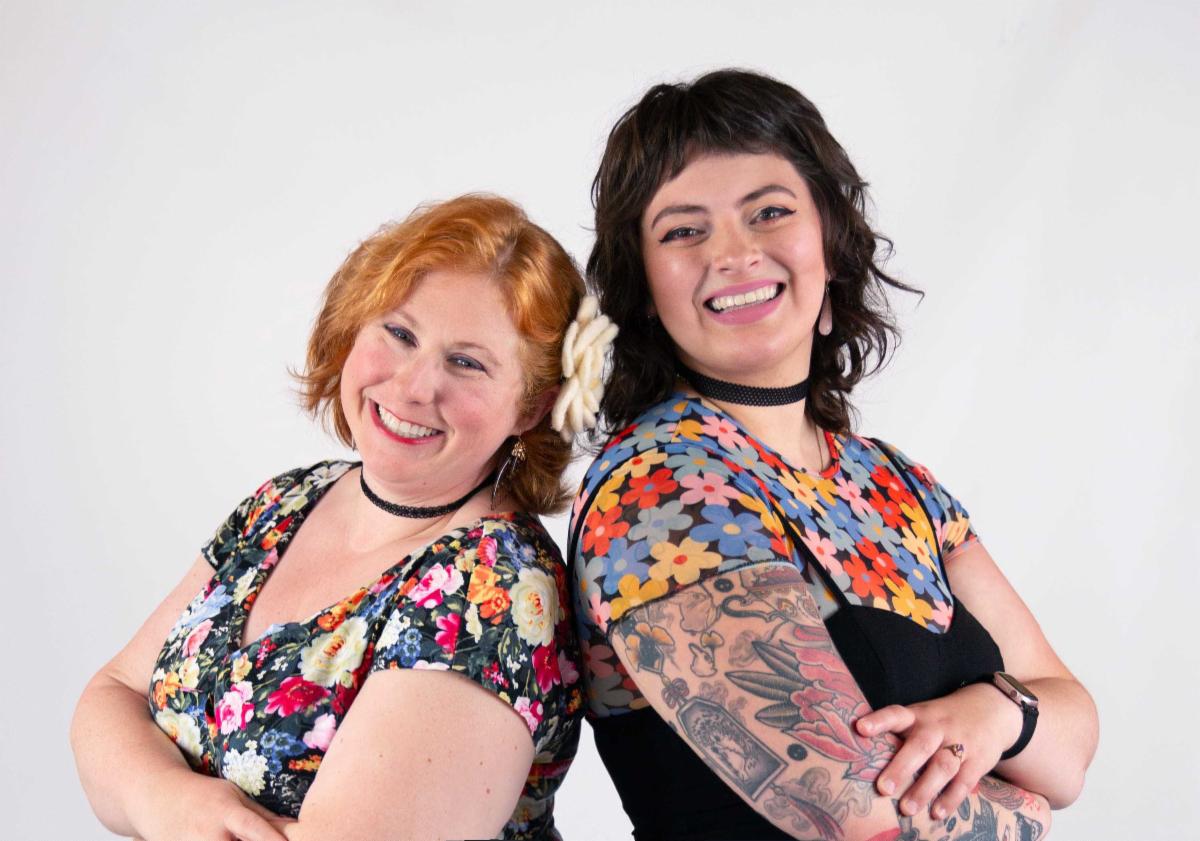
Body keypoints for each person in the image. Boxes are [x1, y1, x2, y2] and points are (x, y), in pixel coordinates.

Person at [570, 70, 1098, 840]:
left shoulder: (895, 482)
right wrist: (1031, 812)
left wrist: (999, 711)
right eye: (683, 231)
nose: (734, 253)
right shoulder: (657, 490)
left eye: (769, 212)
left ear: (831, 246)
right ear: (644, 286)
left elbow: (1073, 736)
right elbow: (847, 810)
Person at [71, 195, 596, 841]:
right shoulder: (287, 502)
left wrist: (146, 794)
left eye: (467, 363)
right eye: (399, 334)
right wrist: (167, 799)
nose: (413, 386)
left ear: (532, 407)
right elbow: (112, 694)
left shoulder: (494, 592)